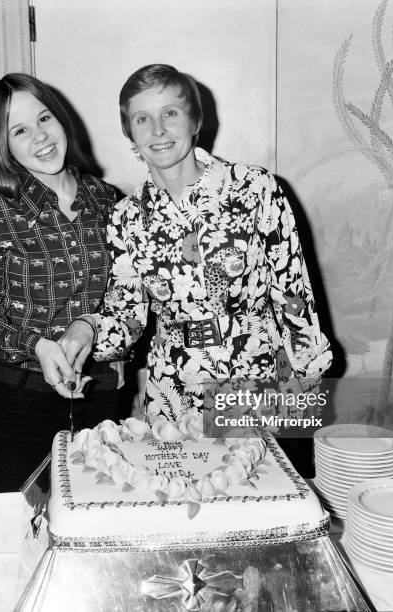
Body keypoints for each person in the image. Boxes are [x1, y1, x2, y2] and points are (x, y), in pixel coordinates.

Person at [61, 64, 332, 423]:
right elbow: (128, 317)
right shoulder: (126, 217)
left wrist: (307, 379)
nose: (158, 131)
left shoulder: (255, 189)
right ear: (130, 134)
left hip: (256, 374)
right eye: (142, 119)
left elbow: (293, 295)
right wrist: (87, 328)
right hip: (173, 391)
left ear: (195, 121)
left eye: (170, 113)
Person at [0, 73, 121, 493]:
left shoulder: (108, 200)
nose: (40, 137)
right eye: (20, 130)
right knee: (13, 534)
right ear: (3, 144)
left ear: (61, 118)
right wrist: (37, 345)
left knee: (99, 528)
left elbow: (128, 298)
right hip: (20, 404)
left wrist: (95, 327)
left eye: (44, 118)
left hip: (99, 398)